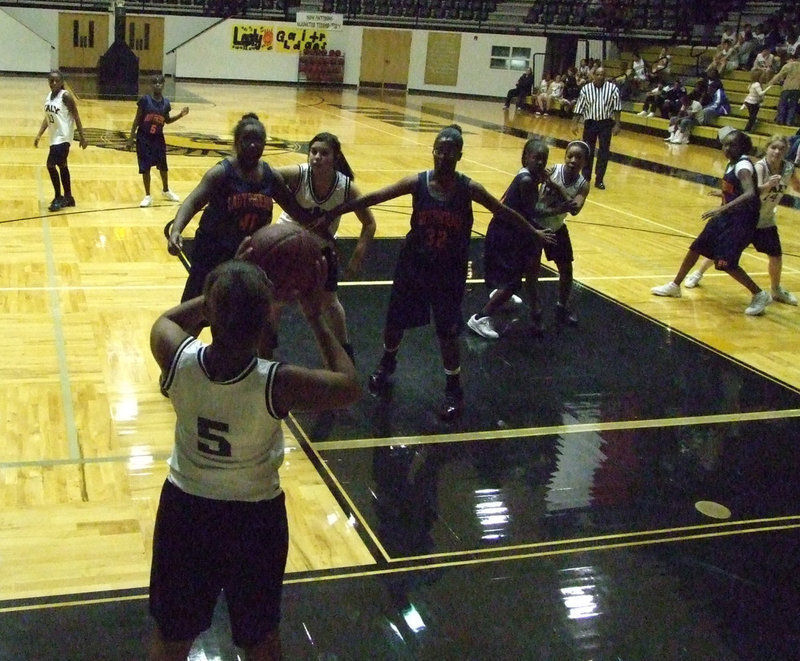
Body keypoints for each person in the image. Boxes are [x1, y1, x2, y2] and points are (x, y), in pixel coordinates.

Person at [148, 259, 360, 661]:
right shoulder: (278, 383)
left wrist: (215, 297)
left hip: (185, 513)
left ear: (209, 314)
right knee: (260, 640)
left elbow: (164, 320)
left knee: (171, 639)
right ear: (267, 319)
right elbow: (348, 385)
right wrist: (315, 316)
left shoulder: (176, 356)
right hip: (254, 523)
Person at [321, 125, 547, 421]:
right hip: (413, 265)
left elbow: (502, 211)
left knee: (447, 333)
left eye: (449, 151)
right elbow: (376, 196)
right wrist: (337, 210)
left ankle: (454, 389)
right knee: (395, 322)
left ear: (459, 155)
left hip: (449, 271)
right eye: (438, 150)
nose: (442, 155)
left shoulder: (468, 188)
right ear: (433, 152)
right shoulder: (418, 182)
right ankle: (387, 363)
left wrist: (532, 231)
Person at [167, 113, 315, 304]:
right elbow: (192, 202)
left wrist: (322, 231)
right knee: (197, 308)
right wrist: (176, 230)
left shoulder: (271, 177)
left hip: (249, 255)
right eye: (248, 139)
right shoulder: (221, 173)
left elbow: (296, 211)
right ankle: (182, 334)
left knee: (237, 315)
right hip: (213, 251)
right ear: (237, 142)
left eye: (258, 140)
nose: (253, 145)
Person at [273, 132, 377, 362]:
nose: (317, 157)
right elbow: (265, 177)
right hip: (285, 246)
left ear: (336, 157)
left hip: (319, 251)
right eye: (314, 152)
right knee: (274, 299)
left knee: (330, 303)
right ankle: (266, 346)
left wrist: (357, 257)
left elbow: (369, 223)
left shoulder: (346, 187)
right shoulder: (298, 174)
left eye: (324, 153)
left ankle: (345, 351)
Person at [651, 129, 772, 316]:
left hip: (741, 221)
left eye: (732, 144)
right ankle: (675, 285)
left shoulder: (743, 166)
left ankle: (760, 294)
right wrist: (724, 194)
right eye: (725, 144)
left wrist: (721, 208)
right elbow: (744, 190)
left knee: (725, 263)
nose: (727, 147)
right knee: (696, 247)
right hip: (726, 218)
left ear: (742, 147)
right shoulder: (733, 163)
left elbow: (750, 194)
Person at [682, 134, 799, 305]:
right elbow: (749, 193)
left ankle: (776, 290)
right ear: (766, 148)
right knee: (722, 250)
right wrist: (767, 186)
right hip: (747, 218)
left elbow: (796, 185)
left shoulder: (788, 168)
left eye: (781, 149)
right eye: (773, 147)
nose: (777, 151)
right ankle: (698, 273)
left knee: (775, 255)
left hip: (765, 220)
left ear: (786, 151)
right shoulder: (758, 167)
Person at [466, 138, 556, 340]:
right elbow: (531, 213)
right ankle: (480, 317)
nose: (541, 163)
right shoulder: (526, 181)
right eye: (536, 158)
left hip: (509, 232)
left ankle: (500, 295)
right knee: (514, 282)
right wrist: (538, 230)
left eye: (544, 159)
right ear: (525, 158)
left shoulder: (527, 177)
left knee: (515, 275)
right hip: (504, 233)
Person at [528, 140, 590, 328]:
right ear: (564, 156)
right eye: (570, 156)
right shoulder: (552, 170)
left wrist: (557, 187)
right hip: (535, 226)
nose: (573, 160)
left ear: (585, 162)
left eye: (578, 157)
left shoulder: (583, 185)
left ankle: (561, 306)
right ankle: (535, 309)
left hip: (555, 228)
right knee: (531, 271)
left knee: (566, 270)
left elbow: (574, 209)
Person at [128, 74, 189, 208]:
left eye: (160, 83)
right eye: (155, 83)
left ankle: (166, 190)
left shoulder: (166, 103)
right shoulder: (145, 100)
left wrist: (180, 115)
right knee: (145, 167)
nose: (157, 85)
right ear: (151, 85)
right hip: (144, 137)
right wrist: (131, 137)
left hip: (158, 138)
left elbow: (167, 120)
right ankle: (148, 195)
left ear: (163, 85)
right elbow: (137, 120)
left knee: (163, 166)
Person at [33, 70, 88, 212]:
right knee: (62, 166)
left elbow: (76, 116)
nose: (54, 83)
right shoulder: (49, 97)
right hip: (54, 138)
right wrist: (39, 134)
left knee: (50, 165)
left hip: (63, 138)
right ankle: (69, 197)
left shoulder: (66, 96)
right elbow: (48, 117)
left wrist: (82, 137)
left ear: (62, 82)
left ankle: (58, 197)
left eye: (57, 80)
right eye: (51, 81)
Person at [571, 67, 622, 190]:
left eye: (602, 75)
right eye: (598, 74)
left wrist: (617, 124)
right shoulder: (586, 89)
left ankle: (599, 179)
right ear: (593, 75)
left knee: (604, 151)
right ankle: (586, 177)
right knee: (588, 150)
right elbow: (580, 107)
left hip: (606, 123)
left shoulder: (612, 88)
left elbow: (617, 108)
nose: (600, 77)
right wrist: (574, 123)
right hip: (590, 123)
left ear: (605, 76)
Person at [767, 52, 800, 126]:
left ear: (790, 59)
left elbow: (779, 75)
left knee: (782, 104)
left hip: (787, 87)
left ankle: (780, 120)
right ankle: (789, 122)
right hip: (797, 88)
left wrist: (770, 82)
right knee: (793, 106)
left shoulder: (788, 65)